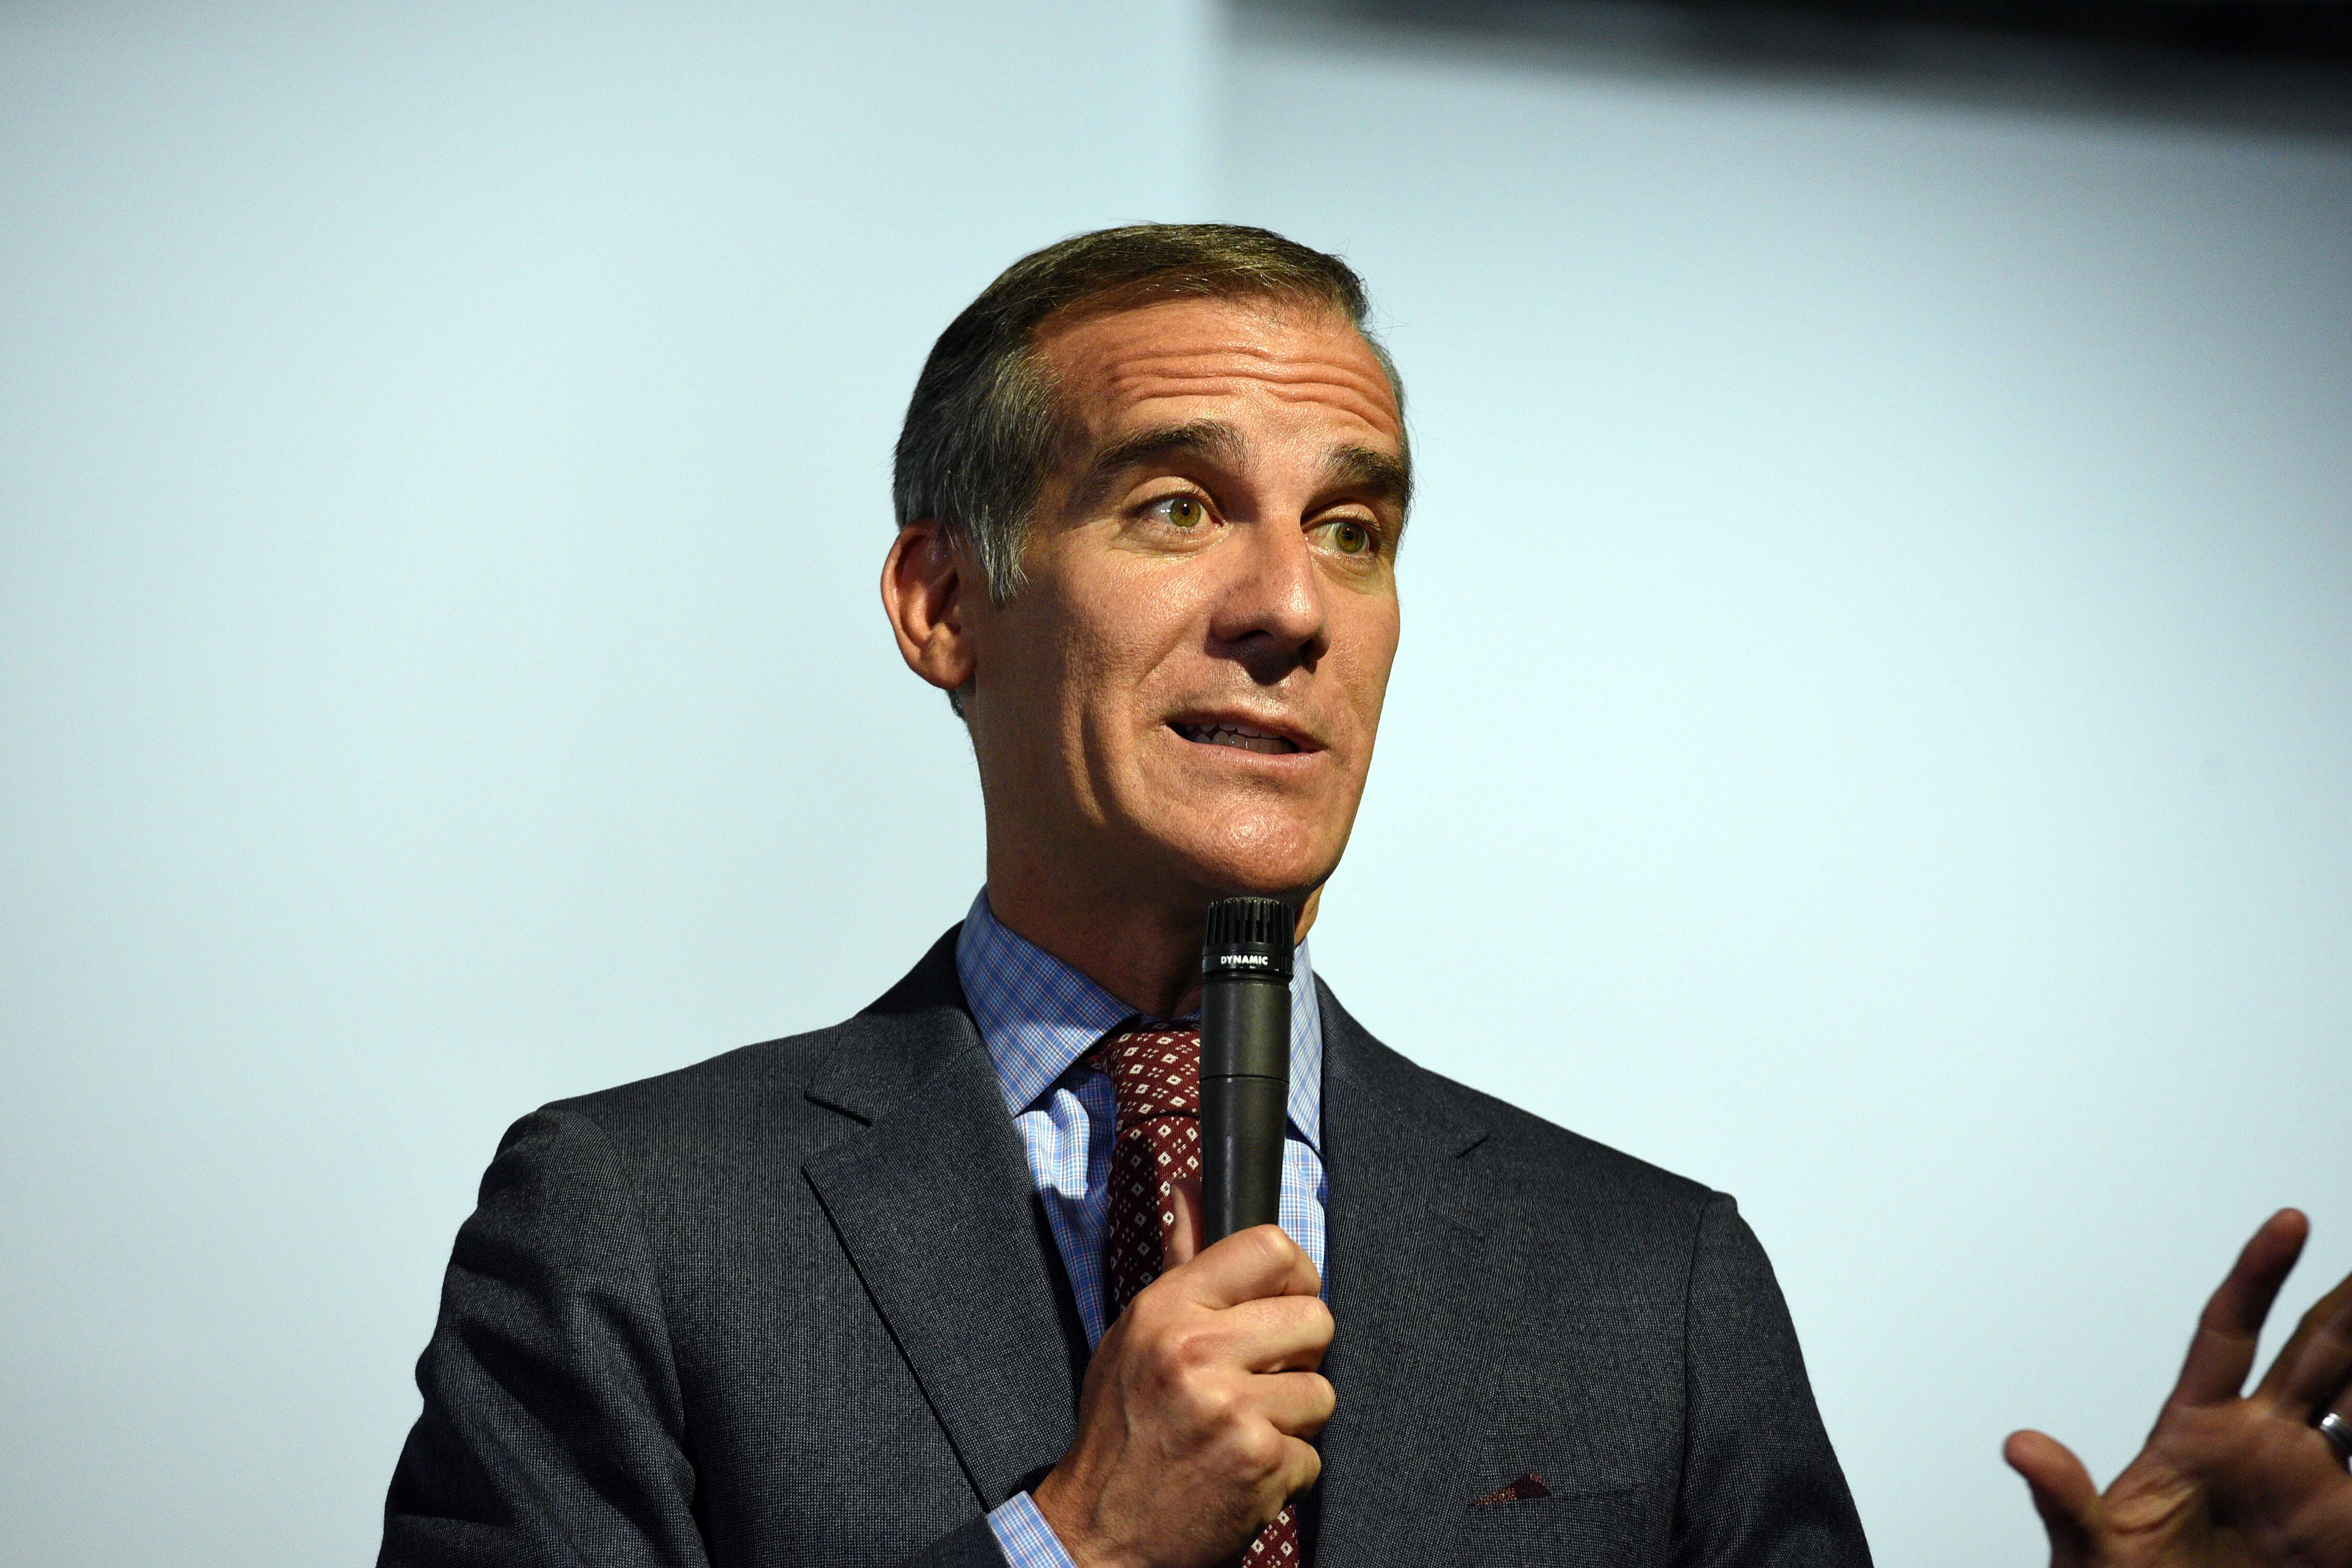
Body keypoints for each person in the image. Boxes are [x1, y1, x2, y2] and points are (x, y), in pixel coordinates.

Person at [378, 224, 2352, 1568]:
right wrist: (1078, 1546)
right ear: (943, 604)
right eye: (1175, 504)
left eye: (1354, 526)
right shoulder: (636, 1229)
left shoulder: (1650, 1286)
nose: (1291, 607)